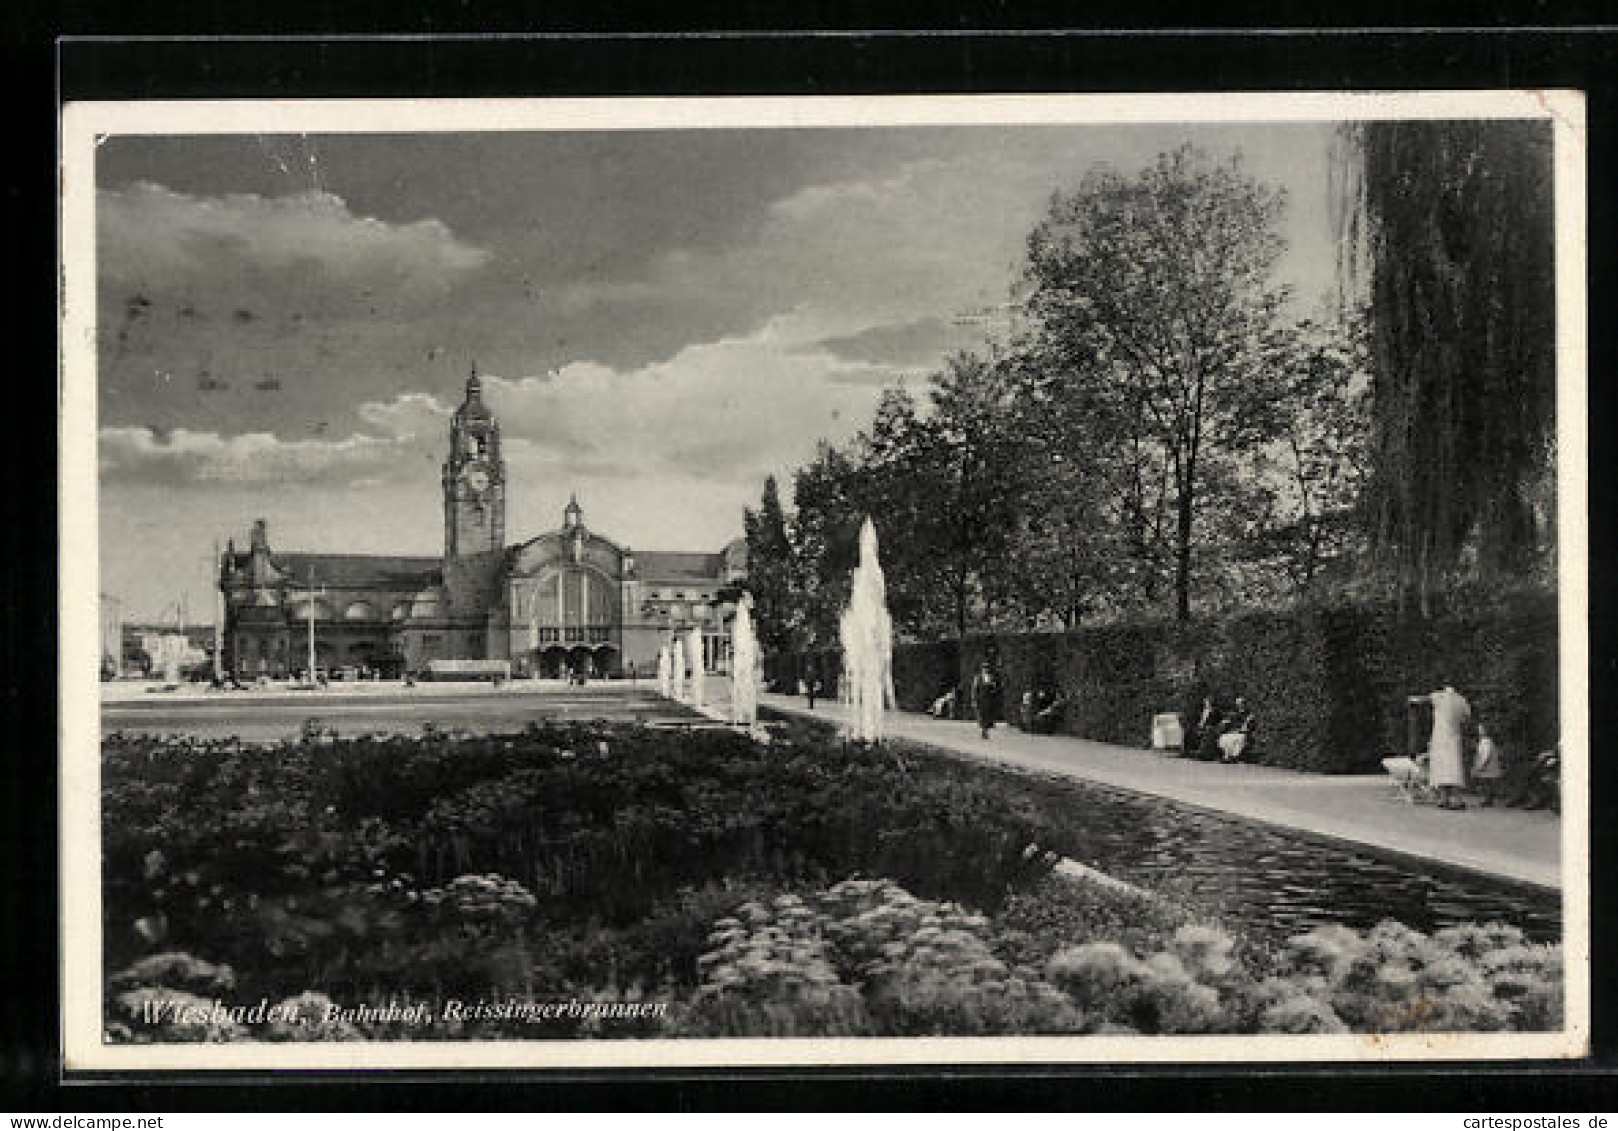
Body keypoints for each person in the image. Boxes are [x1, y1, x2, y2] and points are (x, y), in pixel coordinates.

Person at [1412, 683, 1472, 809]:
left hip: (1440, 738)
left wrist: (1414, 699)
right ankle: (1456, 799)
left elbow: (1424, 699)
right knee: (1454, 768)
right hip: (1454, 738)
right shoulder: (1461, 700)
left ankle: (1444, 799)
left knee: (1441, 768)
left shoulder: (1439, 696)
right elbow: (1467, 718)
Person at [1472, 722, 1503, 806]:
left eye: (1481, 729)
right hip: (1488, 767)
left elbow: (1486, 754)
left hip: (1488, 767)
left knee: (1486, 784)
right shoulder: (1487, 741)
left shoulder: (1486, 741)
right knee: (1487, 784)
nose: (1479, 731)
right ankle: (1488, 799)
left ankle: (1488, 799)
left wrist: (1481, 765)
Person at [970, 661, 1002, 740]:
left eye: (987, 668)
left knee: (988, 716)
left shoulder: (990, 678)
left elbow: (994, 688)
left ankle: (985, 731)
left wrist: (993, 689)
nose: (985, 669)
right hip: (981, 699)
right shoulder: (978, 678)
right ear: (982, 669)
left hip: (989, 699)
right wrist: (974, 700)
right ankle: (984, 731)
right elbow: (974, 690)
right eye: (984, 668)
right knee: (982, 716)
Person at [1218, 697, 1254, 763]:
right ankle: (1227, 756)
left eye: (1240, 703)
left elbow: (1248, 725)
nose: (1239, 705)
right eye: (1237, 704)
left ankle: (1235, 756)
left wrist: (1245, 725)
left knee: (1240, 738)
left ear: (1244, 704)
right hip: (1234, 731)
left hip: (1243, 732)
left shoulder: (1248, 714)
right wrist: (1226, 722)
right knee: (1225, 737)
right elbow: (1231, 722)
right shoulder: (1235, 713)